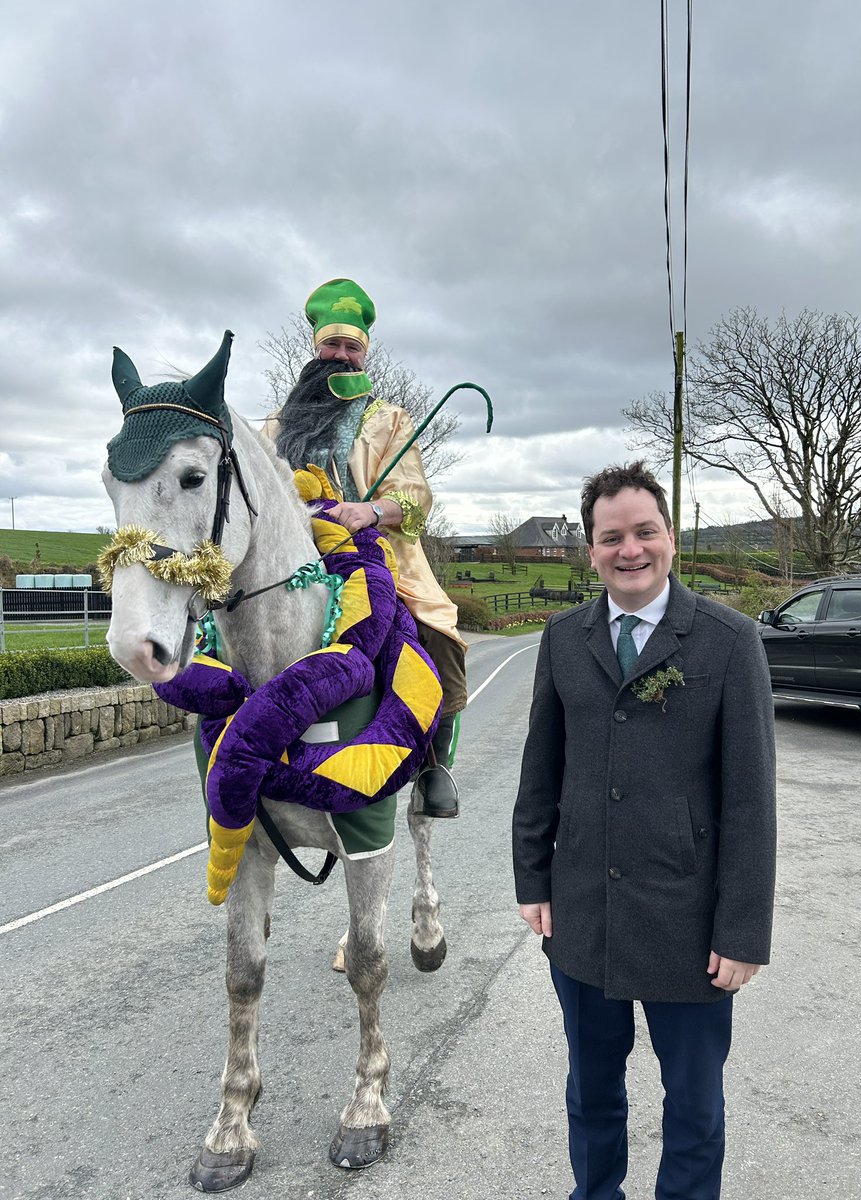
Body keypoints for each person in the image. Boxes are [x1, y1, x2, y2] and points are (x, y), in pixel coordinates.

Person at [512, 462, 776, 1200]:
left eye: (644, 532)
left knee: (694, 1106)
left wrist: (744, 929)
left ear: (670, 537)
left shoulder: (729, 640)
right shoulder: (564, 637)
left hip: (689, 924)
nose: (630, 550)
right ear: (590, 550)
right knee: (590, 1091)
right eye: (610, 537)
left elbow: (752, 801)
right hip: (584, 910)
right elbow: (542, 770)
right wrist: (533, 879)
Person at [264, 277, 466, 821]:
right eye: (332, 345)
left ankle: (432, 766)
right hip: (293, 563)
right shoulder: (276, 426)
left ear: (364, 355)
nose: (341, 355)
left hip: (378, 558)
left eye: (352, 347)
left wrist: (369, 511)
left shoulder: (388, 419)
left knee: (436, 636)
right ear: (315, 348)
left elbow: (417, 497)